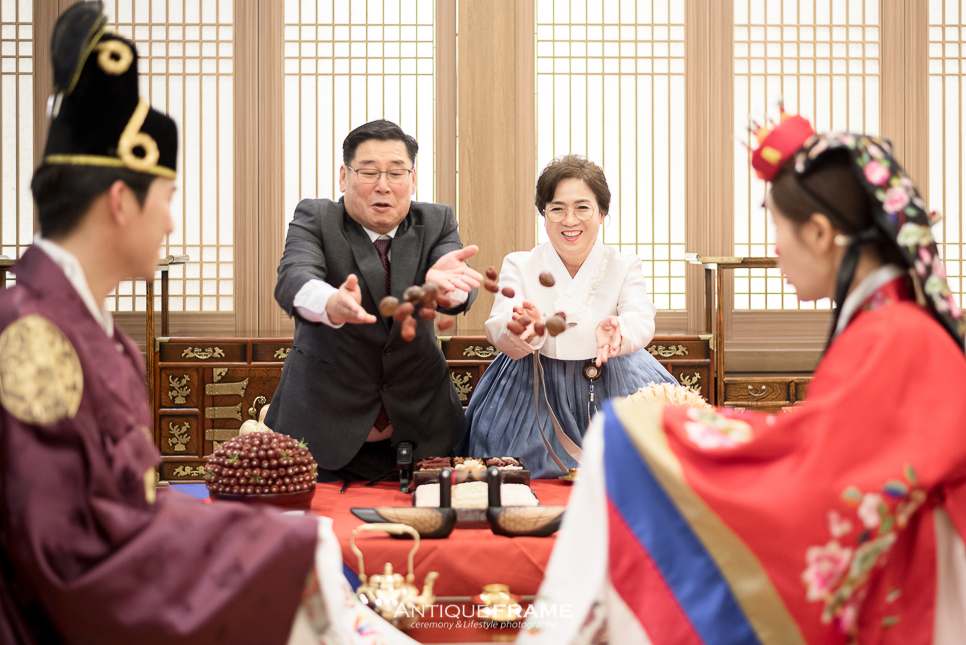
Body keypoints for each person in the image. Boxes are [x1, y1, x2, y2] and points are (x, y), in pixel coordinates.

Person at [0, 5, 415, 644]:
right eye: (166, 201)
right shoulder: (34, 338)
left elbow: (122, 512)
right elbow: (67, 556)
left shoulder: (86, 331)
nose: (171, 224)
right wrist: (268, 551)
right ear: (120, 202)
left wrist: (262, 538)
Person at [520, 114, 966, 644]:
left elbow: (826, 483)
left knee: (621, 443)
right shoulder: (890, 323)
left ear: (820, 234)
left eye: (778, 228)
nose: (775, 249)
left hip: (920, 589)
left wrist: (653, 438)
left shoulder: (893, 335)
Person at [265, 119, 481, 482]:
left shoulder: (437, 220)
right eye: (368, 172)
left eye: (396, 173)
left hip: (423, 430)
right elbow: (294, 276)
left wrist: (448, 291)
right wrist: (330, 302)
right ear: (344, 177)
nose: (383, 185)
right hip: (322, 430)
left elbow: (455, 274)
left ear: (412, 179)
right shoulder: (317, 218)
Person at [460, 155, 676, 479]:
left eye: (582, 207)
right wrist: (523, 330)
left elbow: (641, 318)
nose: (569, 220)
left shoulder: (624, 264)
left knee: (640, 473)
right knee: (516, 474)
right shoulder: (520, 264)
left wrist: (620, 329)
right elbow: (500, 322)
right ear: (543, 214)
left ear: (602, 214)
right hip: (530, 383)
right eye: (557, 208)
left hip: (614, 378)